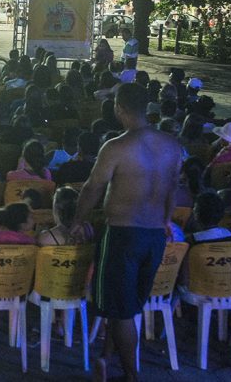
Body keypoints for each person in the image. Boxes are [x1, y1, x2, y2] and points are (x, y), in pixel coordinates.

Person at [72, 82, 181, 382]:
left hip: (123, 235)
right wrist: (166, 220)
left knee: (120, 311)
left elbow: (93, 187)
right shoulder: (172, 145)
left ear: (120, 109)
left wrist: (78, 220)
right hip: (154, 235)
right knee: (126, 305)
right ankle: (106, 359)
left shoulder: (117, 147)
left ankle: (131, 376)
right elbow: (173, 186)